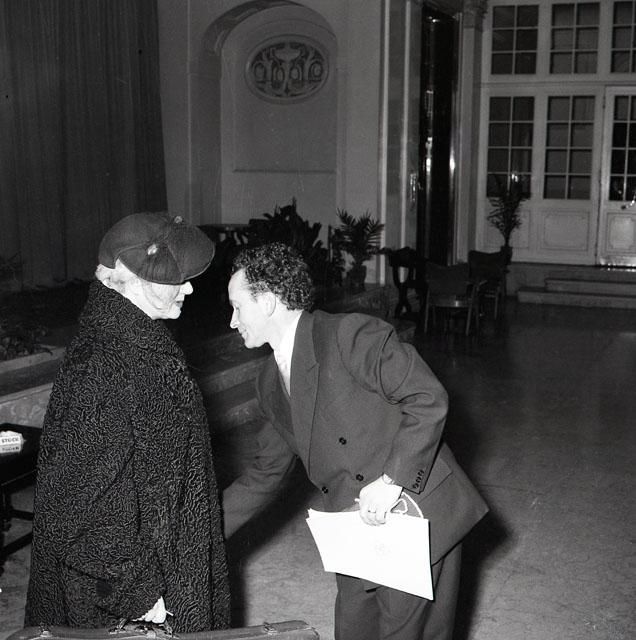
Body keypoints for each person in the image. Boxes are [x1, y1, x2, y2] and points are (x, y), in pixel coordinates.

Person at [223, 242, 488, 640]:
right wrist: (204, 526)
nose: (232, 321)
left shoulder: (348, 335)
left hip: (414, 511)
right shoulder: (268, 382)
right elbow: (266, 472)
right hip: (356, 528)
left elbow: (427, 397)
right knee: (354, 629)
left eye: (237, 307)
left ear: (268, 302)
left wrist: (391, 481)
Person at [24, 213, 231, 633]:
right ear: (133, 280)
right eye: (176, 278)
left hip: (162, 561)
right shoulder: (103, 364)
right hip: (120, 598)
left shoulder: (136, 345)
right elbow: (72, 504)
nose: (189, 288)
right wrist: (136, 589)